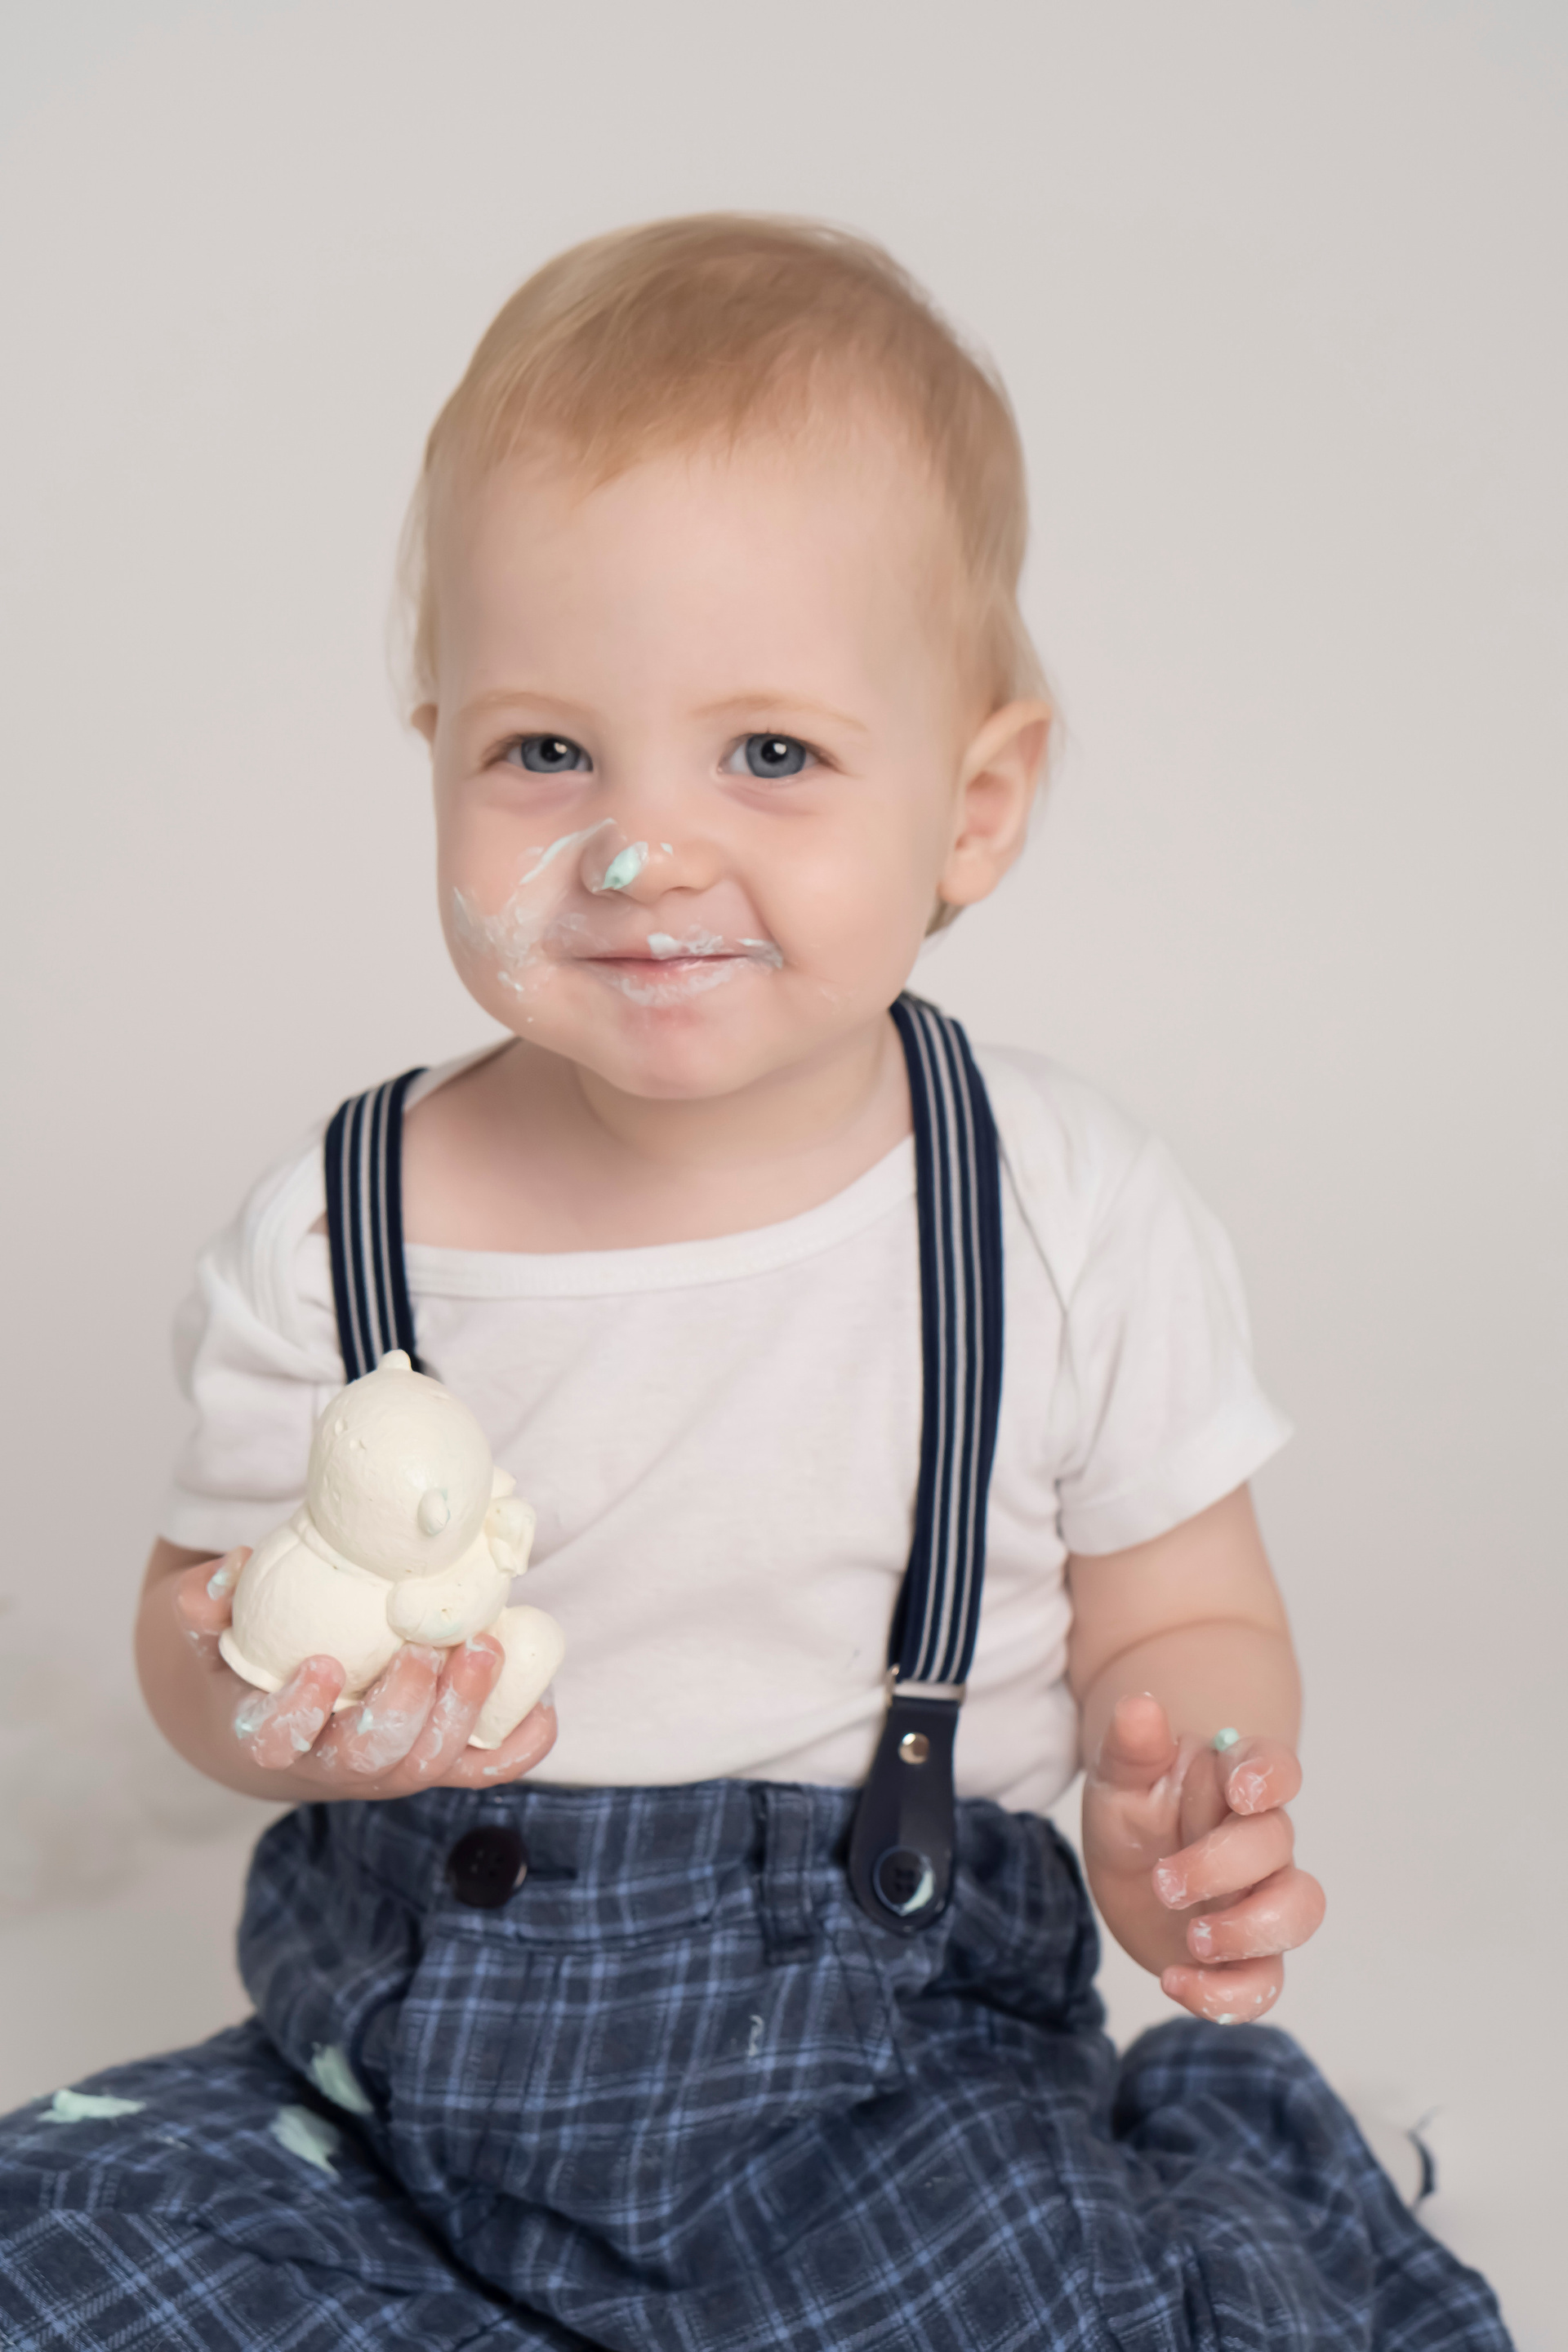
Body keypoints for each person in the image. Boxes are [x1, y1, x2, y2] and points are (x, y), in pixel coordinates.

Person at [0, 216, 1512, 2351]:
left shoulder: (1056, 1208)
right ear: (436, 752)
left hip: (883, 2076)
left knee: (1020, 2300)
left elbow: (1182, 1605)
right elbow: (195, 1621)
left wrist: (1186, 1788)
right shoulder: (344, 1226)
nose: (643, 854)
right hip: (393, 2083)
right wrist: (256, 1692)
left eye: (771, 757)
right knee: (51, 2240)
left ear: (973, 807)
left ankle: (1213, 2183)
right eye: (548, 753)